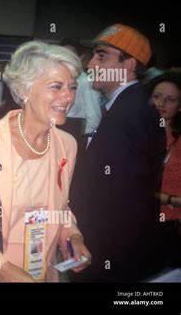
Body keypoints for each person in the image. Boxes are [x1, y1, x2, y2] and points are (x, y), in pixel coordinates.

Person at [0, 41, 91, 282]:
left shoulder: (67, 145)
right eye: (56, 86)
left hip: (39, 273)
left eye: (72, 87)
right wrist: (8, 273)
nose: (68, 96)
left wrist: (73, 237)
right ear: (24, 90)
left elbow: (61, 208)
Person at [70, 23, 166, 282]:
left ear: (129, 65)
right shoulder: (128, 104)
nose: (90, 64)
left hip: (110, 249)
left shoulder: (130, 112)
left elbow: (123, 196)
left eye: (102, 56)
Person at [149, 72, 181, 267]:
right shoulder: (137, 135)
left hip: (174, 225)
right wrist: (169, 200)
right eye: (156, 96)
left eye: (170, 100)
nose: (161, 104)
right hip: (143, 219)